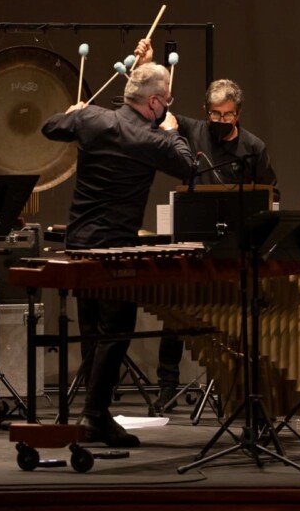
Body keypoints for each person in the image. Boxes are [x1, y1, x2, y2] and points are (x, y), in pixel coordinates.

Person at [41, 62, 196, 447]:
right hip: (114, 249)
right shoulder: (151, 139)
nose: (167, 108)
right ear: (155, 101)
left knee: (93, 330)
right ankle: (94, 415)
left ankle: (93, 415)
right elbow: (189, 165)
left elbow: (50, 126)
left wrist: (74, 113)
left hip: (78, 244)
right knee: (118, 330)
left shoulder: (93, 120)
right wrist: (173, 132)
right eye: (167, 102)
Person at [134, 43, 279, 409]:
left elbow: (270, 194)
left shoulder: (253, 147)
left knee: (232, 316)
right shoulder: (192, 130)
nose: (220, 121)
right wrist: (147, 67)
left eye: (227, 115)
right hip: (192, 241)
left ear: (238, 113)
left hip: (235, 247)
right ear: (206, 111)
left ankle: (229, 383)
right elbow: (153, 112)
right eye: (214, 114)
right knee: (177, 313)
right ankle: (168, 385)